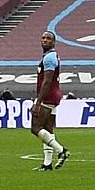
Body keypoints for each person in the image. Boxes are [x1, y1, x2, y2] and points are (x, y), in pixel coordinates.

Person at [31, 30, 69, 171]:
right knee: (48, 128)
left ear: (54, 42)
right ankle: (47, 164)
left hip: (48, 96)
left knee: (35, 127)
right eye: (43, 38)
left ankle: (61, 151)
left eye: (48, 38)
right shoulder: (50, 56)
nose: (44, 40)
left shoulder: (49, 58)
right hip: (54, 95)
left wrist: (38, 102)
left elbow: (47, 81)